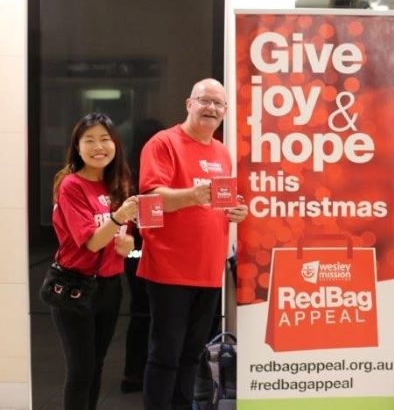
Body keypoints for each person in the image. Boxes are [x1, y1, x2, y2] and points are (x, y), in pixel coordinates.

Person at [137, 78, 248, 410]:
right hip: (169, 269)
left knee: (192, 355)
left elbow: (218, 204)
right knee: (165, 356)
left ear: (225, 112)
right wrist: (195, 194)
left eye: (219, 104)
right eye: (205, 100)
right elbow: (152, 198)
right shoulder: (163, 143)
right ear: (189, 103)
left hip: (208, 271)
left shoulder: (223, 153)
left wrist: (236, 212)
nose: (211, 108)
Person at [51, 112, 138, 410]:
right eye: (89, 140)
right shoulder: (71, 185)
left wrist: (128, 243)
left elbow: (120, 240)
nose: (98, 146)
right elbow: (92, 241)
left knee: (97, 365)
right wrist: (119, 218)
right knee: (80, 371)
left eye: (105, 139)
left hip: (110, 286)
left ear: (115, 144)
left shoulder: (119, 183)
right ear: (77, 147)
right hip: (74, 285)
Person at [121, 118, 165, 394]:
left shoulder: (125, 172)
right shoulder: (153, 171)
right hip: (150, 242)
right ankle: (148, 372)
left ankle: (132, 375)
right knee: (155, 311)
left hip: (131, 244)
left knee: (140, 311)